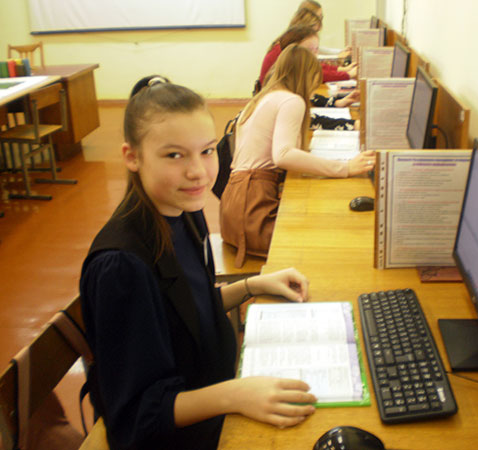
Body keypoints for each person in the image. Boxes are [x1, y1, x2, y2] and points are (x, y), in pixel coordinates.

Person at [79, 76, 317, 450]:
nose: (198, 172)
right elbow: (138, 415)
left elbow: (186, 311)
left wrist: (252, 285)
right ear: (132, 156)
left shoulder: (183, 211)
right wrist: (235, 395)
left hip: (215, 392)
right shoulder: (122, 267)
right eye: (174, 155)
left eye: (207, 151)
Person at [220, 45, 375, 267]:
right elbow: (284, 155)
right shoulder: (291, 101)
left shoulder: (265, 96)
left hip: (234, 210)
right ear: (306, 75)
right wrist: (345, 168)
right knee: (333, 236)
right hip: (253, 214)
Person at [258, 25, 360, 130]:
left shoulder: (289, 77)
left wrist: (336, 103)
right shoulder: (285, 92)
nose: (315, 56)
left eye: (316, 50)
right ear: (292, 52)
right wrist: (353, 124)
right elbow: (308, 121)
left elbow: (310, 98)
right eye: (308, 51)